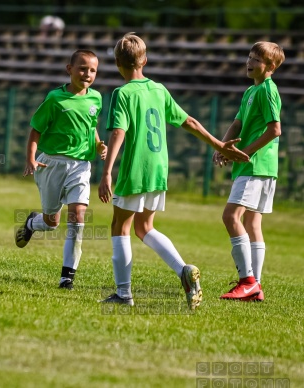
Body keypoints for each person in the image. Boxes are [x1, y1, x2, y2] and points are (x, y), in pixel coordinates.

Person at [97, 33, 250, 310]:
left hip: (136, 169)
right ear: (144, 60)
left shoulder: (122, 93)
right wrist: (219, 144)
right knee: (145, 227)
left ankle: (123, 293)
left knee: (120, 226)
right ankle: (184, 270)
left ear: (117, 62)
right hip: (158, 169)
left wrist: (107, 172)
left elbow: (118, 132)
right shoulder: (158, 89)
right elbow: (188, 121)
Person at [15, 49, 108, 290]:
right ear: (69, 69)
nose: (87, 73)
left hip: (81, 166)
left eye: (93, 70)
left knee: (78, 216)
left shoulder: (96, 98)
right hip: (51, 163)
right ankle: (32, 223)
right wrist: (31, 159)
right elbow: (35, 129)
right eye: (82, 68)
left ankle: (67, 276)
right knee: (51, 222)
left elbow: (91, 126)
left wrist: (98, 144)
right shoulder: (55, 99)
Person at [214, 42, 285, 302]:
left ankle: (247, 281)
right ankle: (256, 287)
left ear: (271, 66)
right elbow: (237, 123)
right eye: (249, 56)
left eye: (257, 59)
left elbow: (275, 129)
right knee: (252, 223)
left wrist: (247, 152)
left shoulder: (268, 90)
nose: (250, 61)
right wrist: (222, 146)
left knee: (230, 216)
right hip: (253, 165)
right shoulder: (250, 91)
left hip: (256, 165)